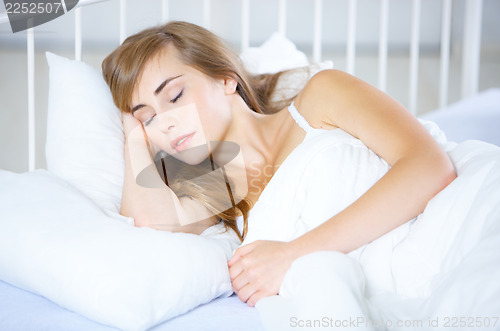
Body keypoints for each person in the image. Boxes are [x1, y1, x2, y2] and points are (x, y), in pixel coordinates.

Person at [102, 21, 456, 308]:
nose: (166, 123)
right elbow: (147, 223)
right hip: (405, 297)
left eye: (175, 96)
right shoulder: (218, 195)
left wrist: (293, 254)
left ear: (226, 79)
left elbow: (430, 167)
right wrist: (133, 131)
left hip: (455, 233)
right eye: (148, 118)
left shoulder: (319, 98)